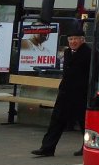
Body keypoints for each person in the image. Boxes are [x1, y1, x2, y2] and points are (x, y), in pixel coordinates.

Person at [31, 24, 91, 157]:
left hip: (81, 94)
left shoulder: (90, 53)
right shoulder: (67, 52)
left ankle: (87, 147)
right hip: (65, 92)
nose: (73, 42)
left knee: (84, 122)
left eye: (76, 39)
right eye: (70, 39)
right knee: (56, 121)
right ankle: (47, 148)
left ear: (82, 40)